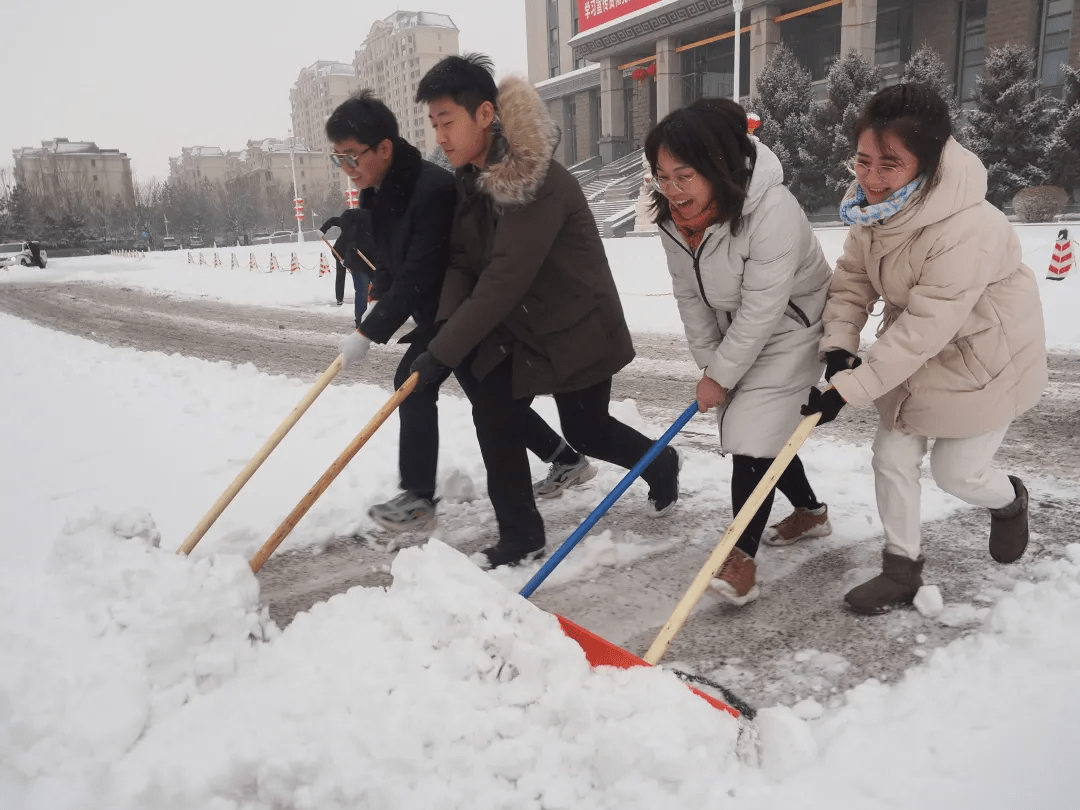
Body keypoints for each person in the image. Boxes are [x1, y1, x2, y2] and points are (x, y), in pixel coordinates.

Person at [410, 53, 681, 569]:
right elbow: (463, 262)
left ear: (485, 113)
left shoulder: (533, 179)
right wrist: (443, 328)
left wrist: (442, 353)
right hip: (519, 329)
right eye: (433, 124)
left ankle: (660, 460)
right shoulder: (469, 179)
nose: (439, 136)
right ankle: (521, 536)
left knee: (587, 430)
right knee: (494, 415)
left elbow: (504, 278)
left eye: (446, 122)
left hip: (573, 325)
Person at [802, 83, 1047, 615]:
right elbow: (851, 280)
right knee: (890, 456)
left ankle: (1009, 501)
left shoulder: (968, 228)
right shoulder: (874, 209)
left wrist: (848, 391)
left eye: (889, 164)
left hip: (986, 356)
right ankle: (901, 571)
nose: (869, 178)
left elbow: (925, 328)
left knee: (957, 473)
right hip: (915, 350)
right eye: (863, 160)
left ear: (930, 164)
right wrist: (841, 347)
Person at [327, 90, 595, 532]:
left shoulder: (430, 189)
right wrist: (376, 288)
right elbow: (393, 262)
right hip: (443, 312)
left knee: (418, 384)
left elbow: (421, 272)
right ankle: (564, 458)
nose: (347, 169)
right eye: (338, 159)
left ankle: (419, 500)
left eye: (351, 157)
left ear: (384, 149)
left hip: (466, 312)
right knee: (489, 398)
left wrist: (369, 331)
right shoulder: (376, 193)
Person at [645, 98, 833, 606]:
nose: (672, 189)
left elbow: (764, 308)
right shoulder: (674, 220)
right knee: (765, 428)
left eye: (684, 175)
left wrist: (723, 376)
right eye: (663, 176)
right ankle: (812, 513)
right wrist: (711, 365)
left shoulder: (773, 210)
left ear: (718, 166)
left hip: (795, 325)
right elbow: (690, 296)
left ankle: (739, 556)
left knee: (751, 433)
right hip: (740, 330)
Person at [318, 212, 372, 312]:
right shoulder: (348, 223)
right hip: (340, 251)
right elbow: (333, 220)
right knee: (341, 272)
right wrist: (322, 230)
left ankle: (369, 294)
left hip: (357, 251)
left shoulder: (366, 227)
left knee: (366, 271)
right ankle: (339, 298)